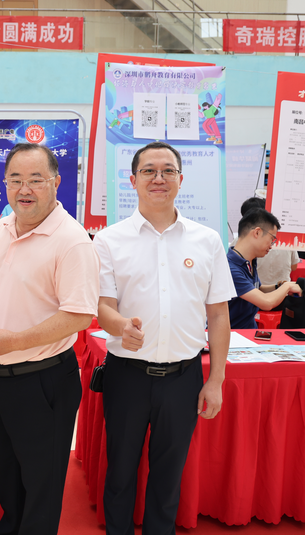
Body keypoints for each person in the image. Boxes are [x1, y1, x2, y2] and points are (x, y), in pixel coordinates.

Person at [0, 143, 99, 535]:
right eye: (15, 180)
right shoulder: (3, 226)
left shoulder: (72, 241)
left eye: (35, 180)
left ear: (56, 183)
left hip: (43, 381)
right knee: (8, 478)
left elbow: (79, 315)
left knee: (41, 486)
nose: (24, 189)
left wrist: (16, 342)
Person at [93, 141, 235, 535]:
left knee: (169, 476)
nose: (159, 178)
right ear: (133, 180)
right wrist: (120, 326)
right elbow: (102, 307)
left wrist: (216, 380)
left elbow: (218, 314)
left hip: (183, 378)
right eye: (149, 171)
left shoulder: (207, 240)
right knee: (120, 471)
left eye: (168, 170)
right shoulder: (108, 240)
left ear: (180, 179)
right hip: (127, 375)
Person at [227, 208, 303, 329]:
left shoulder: (250, 260)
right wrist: (287, 287)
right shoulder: (230, 268)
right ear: (257, 233)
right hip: (234, 335)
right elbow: (267, 303)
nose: (271, 246)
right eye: (272, 239)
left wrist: (278, 286)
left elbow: (257, 289)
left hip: (249, 330)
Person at [240, 197, 299, 285]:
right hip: (277, 289)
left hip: (260, 289)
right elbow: (294, 266)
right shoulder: (286, 239)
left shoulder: (242, 241)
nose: (270, 246)